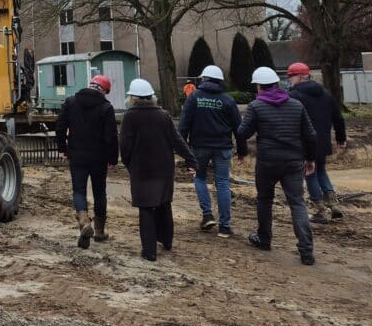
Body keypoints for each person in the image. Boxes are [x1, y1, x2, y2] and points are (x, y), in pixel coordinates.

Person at [238, 66, 318, 265]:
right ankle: (306, 250)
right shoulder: (296, 105)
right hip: (293, 160)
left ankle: (264, 239)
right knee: (297, 203)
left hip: (267, 161)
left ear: (259, 86)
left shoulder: (256, 106)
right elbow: (311, 135)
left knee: (264, 199)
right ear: (277, 84)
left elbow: (242, 133)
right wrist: (310, 159)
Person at [120, 78, 197, 261]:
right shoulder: (163, 115)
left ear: (133, 98)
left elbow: (125, 145)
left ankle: (149, 251)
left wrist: (129, 163)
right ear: (151, 97)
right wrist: (190, 160)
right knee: (164, 203)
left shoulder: (130, 117)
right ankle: (167, 241)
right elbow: (177, 140)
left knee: (146, 208)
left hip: (142, 169)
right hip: (164, 168)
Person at [178, 65, 246, 237]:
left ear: (204, 79)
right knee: (222, 183)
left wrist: (181, 149)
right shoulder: (227, 100)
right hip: (223, 147)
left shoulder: (194, 97)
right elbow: (239, 128)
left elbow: (184, 124)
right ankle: (225, 227)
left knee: (199, 178)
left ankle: (207, 215)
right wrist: (242, 151)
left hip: (199, 147)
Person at [55, 75, 118, 248]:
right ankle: (99, 232)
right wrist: (112, 159)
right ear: (104, 90)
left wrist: (62, 149)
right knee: (99, 192)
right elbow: (111, 137)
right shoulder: (106, 107)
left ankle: (84, 221)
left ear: (90, 84)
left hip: (77, 155)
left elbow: (60, 126)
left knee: (79, 191)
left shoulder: (71, 102)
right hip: (99, 158)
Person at [287, 62, 347, 222]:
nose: (289, 79)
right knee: (321, 170)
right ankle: (333, 204)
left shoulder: (294, 97)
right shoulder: (326, 94)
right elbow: (338, 118)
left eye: (291, 76)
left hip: (304, 142)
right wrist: (341, 138)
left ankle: (320, 210)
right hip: (323, 141)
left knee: (310, 173)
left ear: (301, 76)